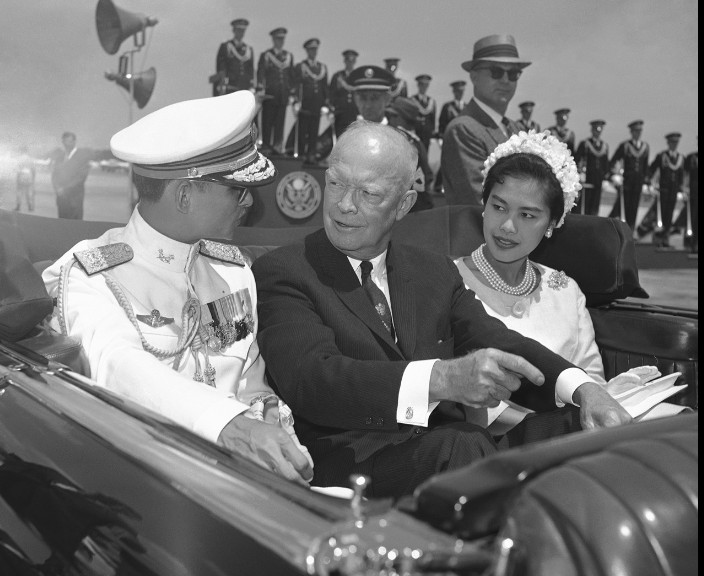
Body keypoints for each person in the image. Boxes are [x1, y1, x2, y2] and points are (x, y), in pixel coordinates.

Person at [252, 121, 631, 499]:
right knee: (462, 443)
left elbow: (495, 340)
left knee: (595, 431)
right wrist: (441, 380)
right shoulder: (285, 271)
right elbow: (312, 381)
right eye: (335, 183)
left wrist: (584, 390)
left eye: (368, 193)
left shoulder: (433, 271)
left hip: (453, 452)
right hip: (357, 465)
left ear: (403, 205)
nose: (344, 205)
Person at [41, 91, 314, 486]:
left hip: (244, 486)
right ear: (184, 195)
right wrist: (226, 424)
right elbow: (116, 363)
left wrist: (281, 444)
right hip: (148, 487)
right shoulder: (88, 276)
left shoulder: (233, 271)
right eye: (237, 190)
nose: (248, 203)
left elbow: (252, 386)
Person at [454, 130, 656, 431]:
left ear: (551, 225)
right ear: (483, 207)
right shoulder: (449, 281)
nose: (507, 226)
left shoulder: (565, 290)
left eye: (527, 215)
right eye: (498, 207)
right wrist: (554, 426)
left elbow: (593, 381)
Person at [441, 34, 529, 208]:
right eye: (496, 72)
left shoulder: (515, 128)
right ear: (474, 77)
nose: (505, 80)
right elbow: (482, 203)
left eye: (513, 73)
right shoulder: (463, 129)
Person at [384, 96, 435, 212]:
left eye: (393, 116)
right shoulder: (416, 141)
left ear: (402, 118)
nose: (389, 120)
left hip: (406, 209)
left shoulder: (400, 141)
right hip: (418, 205)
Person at [47, 132, 106, 220]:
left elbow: (81, 178)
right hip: (61, 199)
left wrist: (64, 189)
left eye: (69, 141)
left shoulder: (82, 156)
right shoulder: (60, 157)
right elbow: (55, 175)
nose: (66, 144)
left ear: (74, 142)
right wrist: (57, 188)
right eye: (64, 141)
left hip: (74, 199)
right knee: (62, 225)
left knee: (75, 226)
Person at [644, 132, 687, 248]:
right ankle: (657, 238)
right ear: (668, 143)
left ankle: (666, 238)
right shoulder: (662, 156)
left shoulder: (681, 158)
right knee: (660, 216)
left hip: (673, 193)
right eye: (672, 142)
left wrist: (681, 189)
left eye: (676, 143)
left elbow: (681, 176)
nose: (674, 145)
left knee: (669, 216)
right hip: (663, 191)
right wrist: (649, 183)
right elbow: (651, 169)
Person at [607, 120, 651, 233]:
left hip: (638, 183)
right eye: (636, 131)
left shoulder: (645, 147)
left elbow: (645, 166)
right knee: (624, 206)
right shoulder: (625, 146)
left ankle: (630, 231)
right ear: (631, 132)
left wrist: (646, 182)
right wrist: (614, 175)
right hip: (626, 182)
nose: (638, 133)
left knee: (634, 208)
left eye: (639, 131)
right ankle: (620, 231)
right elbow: (613, 160)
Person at [256, 27, 295, 155]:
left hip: (283, 95)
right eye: (278, 39)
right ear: (273, 39)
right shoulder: (267, 55)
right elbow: (260, 72)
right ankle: (266, 146)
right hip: (270, 94)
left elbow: (290, 76)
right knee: (267, 122)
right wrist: (260, 88)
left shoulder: (288, 56)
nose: (280, 41)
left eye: (282, 39)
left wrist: (292, 93)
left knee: (280, 123)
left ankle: (278, 146)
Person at [293, 38, 329, 164]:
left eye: (315, 49)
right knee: (303, 131)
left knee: (314, 132)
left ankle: (311, 154)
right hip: (305, 104)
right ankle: (302, 154)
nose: (313, 52)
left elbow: (325, 87)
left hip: (317, 104)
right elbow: (297, 85)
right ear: (307, 51)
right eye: (311, 50)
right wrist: (296, 101)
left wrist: (326, 104)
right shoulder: (301, 67)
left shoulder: (322, 67)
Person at [434, 80, 467, 193]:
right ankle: (439, 186)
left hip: (464, 142)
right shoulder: (447, 106)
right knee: (447, 162)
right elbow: (442, 123)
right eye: (457, 91)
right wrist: (440, 139)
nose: (459, 93)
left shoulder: (467, 107)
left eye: (461, 91)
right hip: (449, 139)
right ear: (454, 92)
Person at [574, 119, 610, 216]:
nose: (597, 132)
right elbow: (576, 160)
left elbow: (606, 164)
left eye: (599, 130)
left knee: (595, 206)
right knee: (584, 205)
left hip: (598, 180)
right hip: (587, 179)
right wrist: (579, 173)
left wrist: (606, 178)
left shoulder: (604, 146)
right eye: (595, 130)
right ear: (592, 130)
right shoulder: (585, 144)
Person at [213, 18, 254, 96]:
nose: (241, 33)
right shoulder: (226, 46)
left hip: (245, 87)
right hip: (230, 86)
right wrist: (222, 82)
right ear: (234, 30)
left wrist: (252, 85)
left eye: (243, 30)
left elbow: (250, 69)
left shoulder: (249, 49)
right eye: (238, 30)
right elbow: (221, 66)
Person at [329, 49, 359, 137]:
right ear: (344, 61)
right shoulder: (338, 76)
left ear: (355, 61)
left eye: (352, 61)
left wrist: (360, 113)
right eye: (348, 60)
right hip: (340, 114)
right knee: (340, 138)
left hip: (354, 114)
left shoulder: (358, 77)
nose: (350, 63)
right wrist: (330, 111)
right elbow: (331, 94)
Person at [410, 74, 437, 147]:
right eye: (422, 84)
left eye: (426, 85)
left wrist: (432, 132)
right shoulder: (412, 100)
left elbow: (432, 119)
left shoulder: (431, 101)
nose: (424, 87)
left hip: (427, 134)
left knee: (425, 156)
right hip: (415, 133)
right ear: (418, 85)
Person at [682, 137, 698, 253]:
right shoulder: (691, 158)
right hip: (693, 194)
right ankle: (689, 244)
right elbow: (685, 175)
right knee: (691, 219)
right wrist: (684, 188)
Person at [14, 145, 36, 213]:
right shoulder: (30, 158)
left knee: (19, 191)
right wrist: (33, 178)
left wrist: (17, 177)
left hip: (21, 175)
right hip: (29, 175)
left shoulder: (19, 158)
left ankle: (18, 206)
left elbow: (17, 169)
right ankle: (30, 206)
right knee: (29, 192)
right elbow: (33, 169)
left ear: (21, 151)